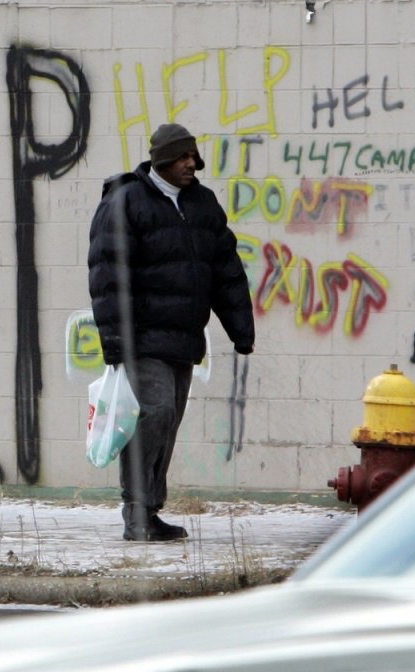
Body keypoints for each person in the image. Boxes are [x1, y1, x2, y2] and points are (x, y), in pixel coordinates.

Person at [87, 123, 255, 542]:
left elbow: (226, 272)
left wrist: (241, 329)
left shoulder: (203, 204)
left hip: (182, 339)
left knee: (168, 421)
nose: (190, 164)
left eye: (193, 157)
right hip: (141, 338)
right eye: (182, 157)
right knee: (155, 413)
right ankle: (137, 513)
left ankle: (149, 510)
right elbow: (108, 274)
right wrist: (113, 339)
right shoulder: (127, 200)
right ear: (162, 159)